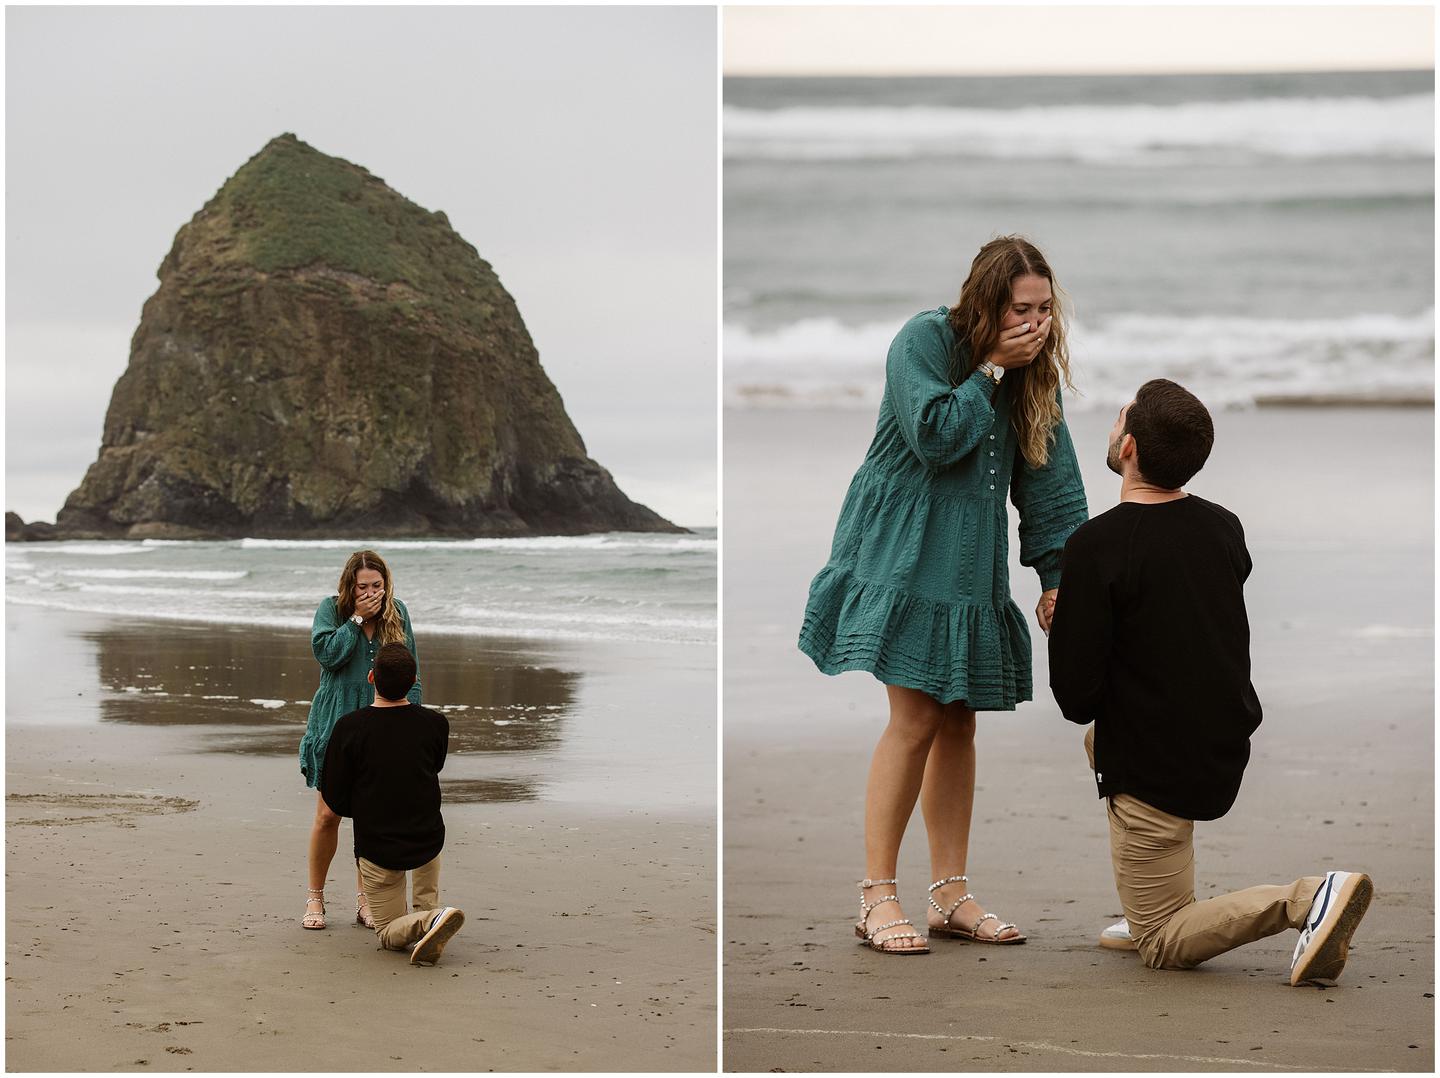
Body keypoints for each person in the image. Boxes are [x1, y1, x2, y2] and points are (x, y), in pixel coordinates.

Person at [798, 236, 1089, 953]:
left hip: (969, 558)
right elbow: (934, 435)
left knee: (959, 720)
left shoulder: (1034, 373)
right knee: (917, 716)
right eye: (1021, 309)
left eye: (1045, 310)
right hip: (900, 549)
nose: (1035, 324)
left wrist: (1057, 576)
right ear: (986, 303)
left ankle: (950, 894)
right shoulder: (923, 341)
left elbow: (1052, 483)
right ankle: (875, 896)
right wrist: (992, 369)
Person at [1048, 378, 1372, 985]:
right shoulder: (1223, 527)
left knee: (1161, 943)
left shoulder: (1095, 546)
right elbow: (1173, 615)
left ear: (1130, 449)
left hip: (1155, 764)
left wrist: (1067, 622)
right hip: (1217, 739)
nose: (1113, 423)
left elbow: (1076, 696)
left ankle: (1306, 899)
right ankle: (1157, 896)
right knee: (1106, 743)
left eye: (1120, 417)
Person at [298, 550, 423, 930]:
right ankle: (315, 898)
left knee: (369, 818)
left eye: (377, 586)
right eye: (363, 587)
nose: (371, 593)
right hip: (336, 721)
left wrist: (409, 724)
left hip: (381, 722)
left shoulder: (397, 613)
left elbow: (410, 672)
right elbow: (327, 656)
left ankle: (364, 900)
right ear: (349, 586)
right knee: (328, 815)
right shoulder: (330, 611)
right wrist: (356, 619)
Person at [320, 642, 464, 966]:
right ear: (414, 681)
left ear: (371, 677)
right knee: (424, 900)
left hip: (378, 844)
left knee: (388, 934)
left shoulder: (350, 728)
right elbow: (435, 765)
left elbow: (335, 797)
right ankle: (432, 917)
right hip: (427, 837)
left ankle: (429, 921)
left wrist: (364, 801)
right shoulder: (435, 724)